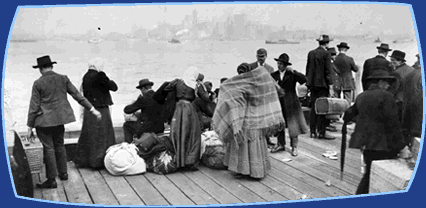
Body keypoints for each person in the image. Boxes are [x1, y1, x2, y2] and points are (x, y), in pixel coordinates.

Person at [27, 55, 101, 188]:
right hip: (60, 119)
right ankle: (63, 173)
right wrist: (92, 109)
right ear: (52, 66)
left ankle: (51, 180)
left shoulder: (38, 83)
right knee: (59, 145)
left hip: (44, 122)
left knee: (49, 149)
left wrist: (29, 127)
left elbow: (34, 107)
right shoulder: (63, 78)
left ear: (40, 69)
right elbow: (77, 95)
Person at [343, 68, 412, 195]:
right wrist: (402, 146)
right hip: (383, 146)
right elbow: (393, 124)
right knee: (377, 177)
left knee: (369, 173)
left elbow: (348, 115)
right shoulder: (387, 97)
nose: (388, 85)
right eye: (387, 82)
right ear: (380, 82)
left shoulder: (361, 96)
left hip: (366, 145)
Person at [212, 64, 285, 179]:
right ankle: (257, 170)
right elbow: (271, 88)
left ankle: (248, 171)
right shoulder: (258, 82)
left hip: (247, 121)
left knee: (245, 146)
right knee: (254, 145)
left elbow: (230, 95)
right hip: (258, 119)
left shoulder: (241, 84)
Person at [74, 58, 118, 169]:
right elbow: (114, 87)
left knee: (88, 134)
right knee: (103, 135)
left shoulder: (85, 76)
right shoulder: (101, 75)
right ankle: (99, 161)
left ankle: (83, 160)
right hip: (101, 109)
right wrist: (108, 78)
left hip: (90, 109)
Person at [163, 67, 205, 171]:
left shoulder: (177, 82)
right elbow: (206, 98)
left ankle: (178, 160)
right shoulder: (195, 85)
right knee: (193, 134)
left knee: (177, 133)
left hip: (178, 109)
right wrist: (203, 86)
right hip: (189, 109)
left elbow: (166, 88)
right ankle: (189, 161)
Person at [270, 53, 309, 156]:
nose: (279, 66)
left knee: (294, 125)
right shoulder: (274, 75)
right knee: (279, 124)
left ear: (286, 65)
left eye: (281, 64)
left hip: (291, 102)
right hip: (279, 103)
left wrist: (294, 71)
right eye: (278, 63)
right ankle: (281, 144)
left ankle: (294, 147)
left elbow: (305, 79)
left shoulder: (291, 74)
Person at [305, 34, 335, 140]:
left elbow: (308, 70)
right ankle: (321, 132)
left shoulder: (311, 53)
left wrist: (308, 84)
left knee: (313, 108)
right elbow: (328, 71)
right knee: (322, 109)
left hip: (313, 85)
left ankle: (312, 131)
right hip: (323, 86)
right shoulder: (327, 54)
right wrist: (331, 86)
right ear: (327, 43)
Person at [123, 79, 165, 143]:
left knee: (126, 125)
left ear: (143, 88)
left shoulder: (143, 98)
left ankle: (129, 145)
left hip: (148, 129)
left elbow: (127, 110)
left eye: (140, 90)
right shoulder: (159, 97)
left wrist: (135, 102)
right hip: (160, 128)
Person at [389, 50, 414, 121]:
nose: (391, 62)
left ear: (400, 61)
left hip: (399, 102)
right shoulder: (412, 69)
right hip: (411, 101)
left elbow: (393, 89)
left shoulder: (396, 73)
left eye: (393, 60)